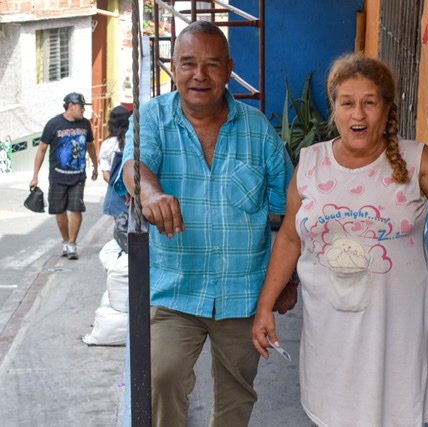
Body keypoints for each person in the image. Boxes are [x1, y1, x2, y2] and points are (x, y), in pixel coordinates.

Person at [251, 53, 428, 426]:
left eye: (369, 103)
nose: (358, 115)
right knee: (332, 414)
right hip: (329, 327)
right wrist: (265, 306)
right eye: (347, 103)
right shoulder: (311, 163)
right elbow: (289, 239)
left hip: (393, 329)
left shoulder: (415, 161)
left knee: (390, 414)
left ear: (386, 108)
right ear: (334, 108)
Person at [119, 21, 294, 427]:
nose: (200, 75)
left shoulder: (258, 131)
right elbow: (134, 166)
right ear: (173, 68)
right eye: (188, 64)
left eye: (212, 64)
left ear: (229, 68)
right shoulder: (154, 119)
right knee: (159, 376)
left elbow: (292, 211)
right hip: (176, 289)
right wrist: (150, 193)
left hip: (242, 293)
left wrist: (290, 281)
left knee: (237, 393)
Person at [30, 92, 98, 260]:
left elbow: (90, 146)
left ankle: (73, 244)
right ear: (71, 105)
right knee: (59, 210)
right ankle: (66, 240)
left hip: (78, 175)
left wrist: (96, 166)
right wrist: (35, 175)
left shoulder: (85, 124)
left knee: (76, 208)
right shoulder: (53, 124)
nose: (83, 110)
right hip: (58, 176)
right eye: (81, 106)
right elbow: (41, 149)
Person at [98, 105, 131, 218]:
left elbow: (106, 174)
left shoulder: (107, 144)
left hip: (116, 193)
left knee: (120, 229)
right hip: (138, 190)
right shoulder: (135, 141)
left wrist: (122, 191)